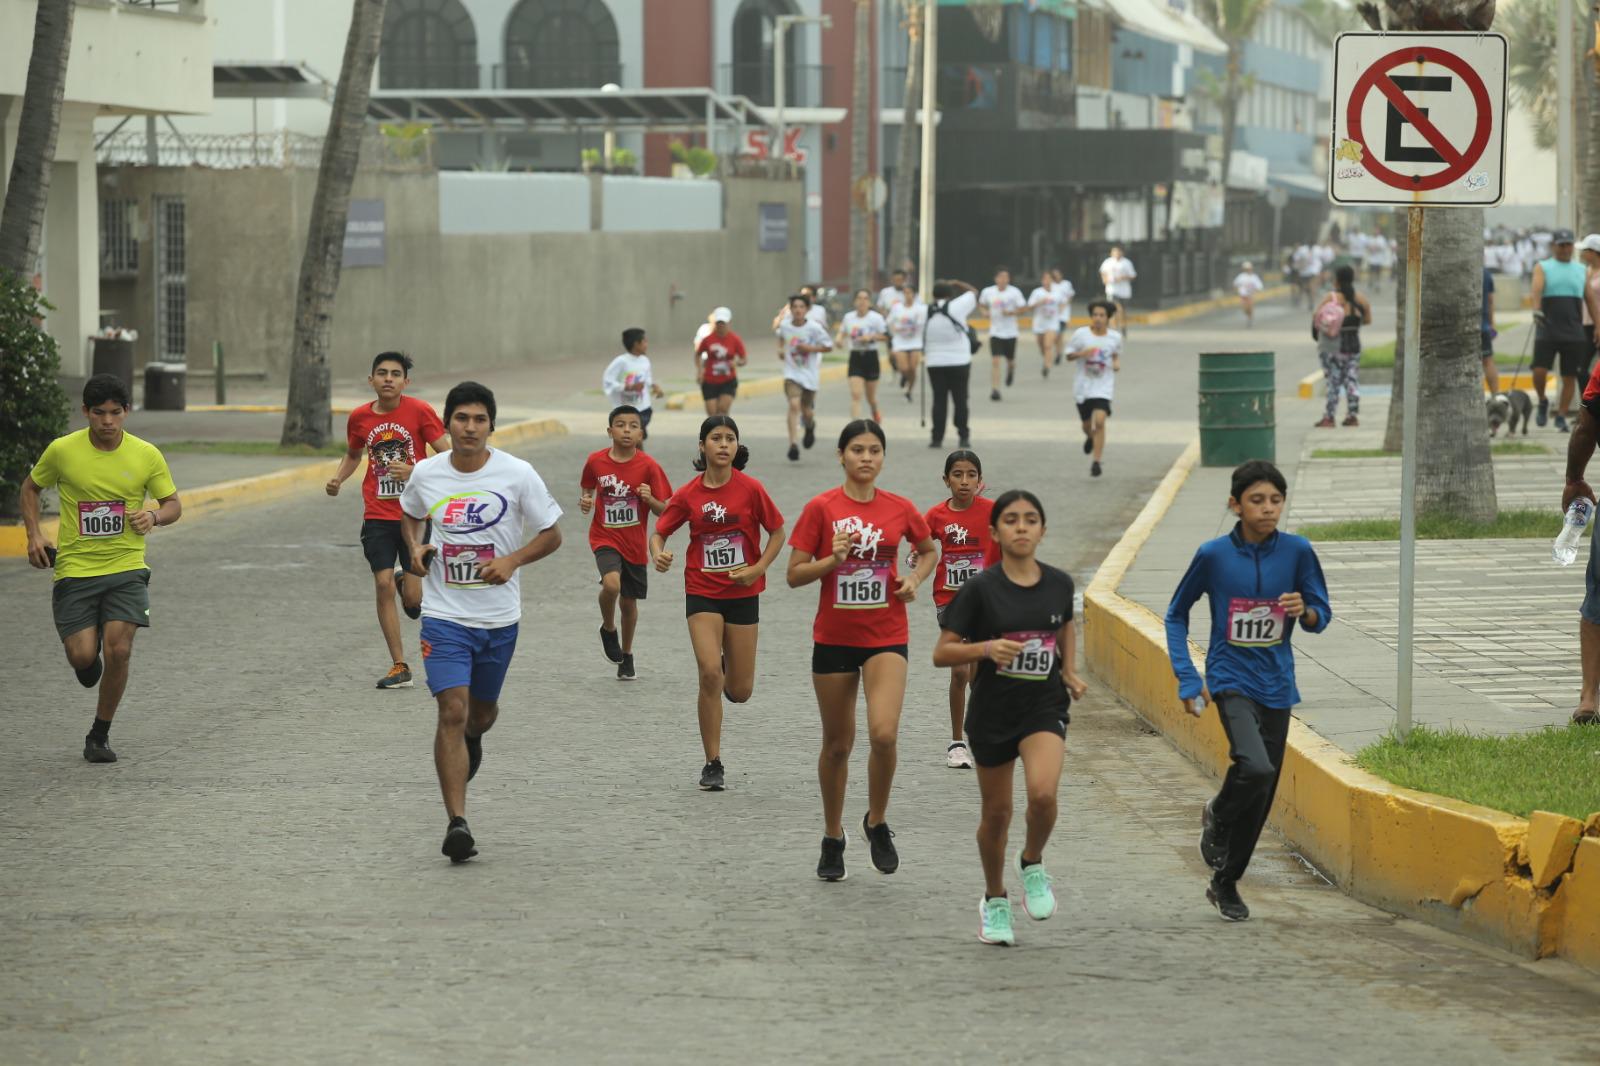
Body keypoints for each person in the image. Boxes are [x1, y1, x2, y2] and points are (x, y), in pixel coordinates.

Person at [401, 381, 563, 863]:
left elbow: (552, 534)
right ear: (447, 424)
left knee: (480, 715)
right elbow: (409, 514)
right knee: (451, 710)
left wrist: (512, 560)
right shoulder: (427, 473)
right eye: (461, 418)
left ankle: (473, 737)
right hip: (444, 615)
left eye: (479, 420)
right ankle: (457, 823)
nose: (469, 428)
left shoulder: (517, 474)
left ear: (491, 426)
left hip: (498, 618)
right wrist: (415, 547)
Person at [1164, 460, 1332, 920]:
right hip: (1230, 677)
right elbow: (1176, 614)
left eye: (1276, 500)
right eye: (1257, 500)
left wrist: (1305, 610)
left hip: (1277, 683)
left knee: (1262, 791)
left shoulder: (1297, 552)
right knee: (1255, 766)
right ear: (1235, 505)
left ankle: (1226, 882)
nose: (1268, 508)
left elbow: (1320, 614)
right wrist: (1187, 676)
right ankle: (1219, 813)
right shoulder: (1213, 555)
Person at [787, 420, 938, 881]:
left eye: (874, 450)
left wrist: (914, 579)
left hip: (885, 635)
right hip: (834, 638)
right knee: (837, 745)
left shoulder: (900, 507)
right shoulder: (821, 508)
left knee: (884, 734)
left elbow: (928, 549)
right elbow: (794, 575)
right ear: (841, 456)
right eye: (857, 449)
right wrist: (831, 561)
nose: (866, 458)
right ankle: (833, 836)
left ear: (883, 457)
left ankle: (876, 821)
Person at [934, 489, 1085, 946]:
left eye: (1030, 519)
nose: (1021, 527)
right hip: (993, 712)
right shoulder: (980, 590)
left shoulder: (1058, 583)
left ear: (1042, 530)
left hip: (1043, 706)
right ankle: (995, 898)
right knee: (997, 814)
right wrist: (985, 648)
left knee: (1043, 794)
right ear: (995, 532)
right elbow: (942, 652)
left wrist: (1069, 670)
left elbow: (1064, 625)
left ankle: (1032, 861)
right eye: (1012, 520)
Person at [21, 374, 183, 763]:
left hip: (126, 568)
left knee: (120, 650)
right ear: (85, 412)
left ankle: (99, 734)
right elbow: (30, 488)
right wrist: (34, 535)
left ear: (127, 411)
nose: (107, 421)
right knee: (81, 657)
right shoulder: (62, 450)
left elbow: (173, 504)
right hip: (75, 570)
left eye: (115, 412)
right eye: (98, 413)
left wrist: (153, 516)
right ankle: (86, 654)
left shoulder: (146, 454)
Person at [652, 415, 788, 788]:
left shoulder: (751, 489)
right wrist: (658, 553)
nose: (724, 444)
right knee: (709, 673)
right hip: (702, 591)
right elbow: (660, 532)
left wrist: (758, 567)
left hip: (743, 592)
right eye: (716, 438)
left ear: (737, 446)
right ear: (702, 446)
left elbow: (777, 531)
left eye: (730, 438)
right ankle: (712, 762)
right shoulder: (689, 493)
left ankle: (728, 667)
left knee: (740, 692)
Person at [325, 351, 449, 690]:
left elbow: (447, 455)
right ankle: (399, 665)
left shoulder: (420, 411)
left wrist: (414, 470)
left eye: (395, 374)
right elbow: (353, 454)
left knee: (414, 602)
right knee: (381, 585)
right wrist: (338, 478)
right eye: (382, 373)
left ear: (406, 382)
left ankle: (404, 582)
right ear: (371, 380)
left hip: (415, 516)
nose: (388, 379)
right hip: (377, 514)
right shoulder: (359, 417)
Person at [580, 405, 672, 681]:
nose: (627, 430)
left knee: (629, 604)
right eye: (620, 425)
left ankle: (627, 653)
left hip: (634, 543)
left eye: (633, 426)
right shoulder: (596, 461)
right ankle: (608, 628)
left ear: (641, 433)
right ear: (610, 431)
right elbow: (587, 486)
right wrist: (586, 499)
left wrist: (649, 498)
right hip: (604, 536)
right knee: (612, 585)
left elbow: (665, 511)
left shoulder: (649, 466)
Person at [922, 449, 996, 769]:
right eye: (957, 475)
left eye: (971, 475)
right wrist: (915, 557)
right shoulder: (936, 515)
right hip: (949, 602)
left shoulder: (992, 512)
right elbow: (922, 544)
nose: (964, 481)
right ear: (946, 480)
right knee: (959, 671)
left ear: (980, 480)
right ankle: (956, 744)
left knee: (977, 673)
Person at [1539, 231, 1593, 432]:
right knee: (1540, 371)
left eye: (1568, 245)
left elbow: (1590, 300)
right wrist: (1536, 310)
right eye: (1561, 245)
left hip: (1577, 330)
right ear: (1554, 246)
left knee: (1573, 374)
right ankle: (1544, 401)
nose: (1565, 249)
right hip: (1552, 328)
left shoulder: (1581, 270)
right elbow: (1536, 291)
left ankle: (1567, 415)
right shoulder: (1543, 267)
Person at [1063, 299, 1122, 478]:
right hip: (1083, 387)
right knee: (1087, 425)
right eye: (1095, 315)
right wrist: (1082, 353)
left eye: (1102, 315)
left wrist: (1116, 363)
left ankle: (1096, 462)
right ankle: (1090, 436)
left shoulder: (1115, 337)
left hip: (1103, 386)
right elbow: (1068, 355)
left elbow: (1115, 354)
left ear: (1108, 317)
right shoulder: (1081, 335)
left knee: (1100, 421)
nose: (1098, 318)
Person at [776, 293, 833, 462]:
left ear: (807, 309)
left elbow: (828, 346)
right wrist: (780, 349)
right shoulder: (785, 325)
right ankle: (793, 444)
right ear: (791, 309)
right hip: (791, 373)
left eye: (801, 307)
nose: (798, 310)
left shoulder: (814, 328)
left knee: (807, 411)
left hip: (810, 375)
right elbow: (780, 337)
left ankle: (810, 426)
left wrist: (810, 348)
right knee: (794, 405)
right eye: (795, 307)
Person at [1313, 265, 1371, 429]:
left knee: (1333, 381)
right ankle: (1352, 416)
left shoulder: (1330, 297)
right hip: (1353, 344)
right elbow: (1368, 320)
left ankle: (1329, 418)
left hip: (1331, 346)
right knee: (1351, 380)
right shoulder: (1360, 299)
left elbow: (1316, 316)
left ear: (1336, 280)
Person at [925, 279, 978, 449]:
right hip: (960, 361)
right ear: (950, 294)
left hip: (934, 362)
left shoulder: (924, 311)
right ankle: (963, 436)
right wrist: (958, 283)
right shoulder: (957, 306)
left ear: (933, 295)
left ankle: (936, 438)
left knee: (939, 400)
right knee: (960, 400)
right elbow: (974, 292)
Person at [839, 288, 889, 423]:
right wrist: (839, 340)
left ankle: (875, 411)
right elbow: (842, 332)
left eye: (865, 298)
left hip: (871, 357)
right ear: (854, 301)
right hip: (855, 356)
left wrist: (871, 337)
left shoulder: (876, 318)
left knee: (870, 397)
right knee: (856, 395)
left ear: (870, 302)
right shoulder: (848, 317)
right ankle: (855, 426)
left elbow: (886, 336)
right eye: (859, 298)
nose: (862, 301)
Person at [602, 328, 666, 436]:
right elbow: (608, 381)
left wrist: (654, 387)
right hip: (626, 410)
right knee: (635, 438)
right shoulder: (621, 361)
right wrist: (628, 387)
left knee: (636, 438)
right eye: (644, 341)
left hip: (644, 408)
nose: (647, 344)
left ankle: (638, 444)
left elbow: (647, 378)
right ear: (636, 344)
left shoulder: (645, 360)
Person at [979, 267, 1027, 400]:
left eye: (1006, 277)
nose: (1003, 280)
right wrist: (984, 312)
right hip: (995, 332)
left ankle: (1011, 370)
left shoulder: (1014, 292)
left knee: (1010, 361)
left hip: (1011, 332)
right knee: (995, 361)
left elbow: (1023, 308)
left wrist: (1012, 312)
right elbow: (981, 304)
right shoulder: (988, 292)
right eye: (1001, 277)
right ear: (996, 279)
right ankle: (995, 389)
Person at [694, 307, 746, 416]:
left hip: (728, 380)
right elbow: (698, 354)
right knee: (712, 415)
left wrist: (736, 363)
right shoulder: (708, 339)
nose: (721, 325)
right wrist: (699, 371)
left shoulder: (735, 339)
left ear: (729, 322)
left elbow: (743, 359)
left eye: (723, 323)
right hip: (709, 380)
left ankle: (724, 426)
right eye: (718, 323)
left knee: (722, 410)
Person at [886, 280, 927, 401]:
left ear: (914, 294)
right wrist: (894, 329)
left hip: (915, 341)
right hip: (900, 341)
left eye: (909, 292)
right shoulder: (897, 308)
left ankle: (909, 389)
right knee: (904, 368)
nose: (907, 295)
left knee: (912, 368)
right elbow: (889, 321)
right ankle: (904, 377)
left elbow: (923, 323)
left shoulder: (921, 308)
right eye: (905, 292)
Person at [1027, 273, 1063, 378]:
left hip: (1052, 323)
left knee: (1048, 345)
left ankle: (1046, 367)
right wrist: (1039, 302)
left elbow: (1062, 303)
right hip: (1039, 324)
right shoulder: (1037, 293)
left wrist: (1060, 313)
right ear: (1042, 281)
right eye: (1045, 279)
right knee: (1041, 345)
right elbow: (1029, 307)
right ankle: (1046, 358)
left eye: (1049, 279)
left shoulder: (1057, 293)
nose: (1047, 281)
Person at [1098, 245, 1136, 333]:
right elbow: (1103, 272)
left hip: (1124, 291)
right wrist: (1105, 280)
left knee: (1122, 311)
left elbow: (1132, 276)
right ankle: (1114, 329)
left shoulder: (1126, 263)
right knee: (1115, 309)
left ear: (1122, 252)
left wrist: (1122, 278)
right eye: (1114, 252)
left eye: (1118, 252)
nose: (1116, 254)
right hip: (1112, 290)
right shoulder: (1108, 262)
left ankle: (1123, 326)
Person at [1050, 268, 1076, 364]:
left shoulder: (1067, 284)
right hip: (1053, 314)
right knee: (1054, 336)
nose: (1056, 276)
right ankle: (1057, 351)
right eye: (1054, 275)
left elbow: (1070, 295)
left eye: (1058, 274)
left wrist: (1064, 305)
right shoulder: (1051, 285)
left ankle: (1058, 353)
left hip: (1063, 315)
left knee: (1059, 335)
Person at [1482, 267, 1500, 396]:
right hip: (1483, 326)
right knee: (1488, 361)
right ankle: (1495, 395)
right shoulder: (1486, 274)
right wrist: (1492, 325)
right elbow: (1490, 300)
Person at [1233, 262, 1265, 327]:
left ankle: (1250, 319)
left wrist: (1256, 290)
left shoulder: (1254, 277)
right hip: (1243, 295)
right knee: (1245, 308)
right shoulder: (1241, 276)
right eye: (1246, 269)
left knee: (1250, 307)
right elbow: (1235, 284)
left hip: (1250, 295)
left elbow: (1259, 286)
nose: (1248, 270)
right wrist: (1236, 290)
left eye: (1249, 269)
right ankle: (1249, 316)